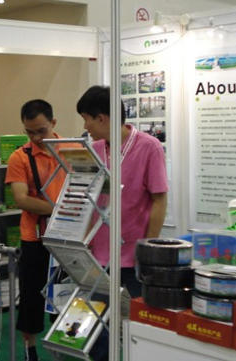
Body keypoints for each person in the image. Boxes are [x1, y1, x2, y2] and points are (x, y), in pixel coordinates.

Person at [76, 85, 168, 361]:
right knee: (96, 326)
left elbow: (159, 200)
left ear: (101, 118)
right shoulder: (94, 149)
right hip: (99, 255)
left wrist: (147, 248)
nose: (85, 126)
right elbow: (89, 198)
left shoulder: (149, 146)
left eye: (86, 119)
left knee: (144, 321)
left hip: (134, 254)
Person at [5, 99, 77, 361]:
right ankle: (30, 350)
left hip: (70, 236)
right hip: (34, 237)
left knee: (67, 292)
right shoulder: (19, 157)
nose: (36, 137)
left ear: (53, 123)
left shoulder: (73, 150)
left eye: (41, 131)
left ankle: (65, 346)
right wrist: (62, 210)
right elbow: (21, 199)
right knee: (31, 296)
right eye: (29, 132)